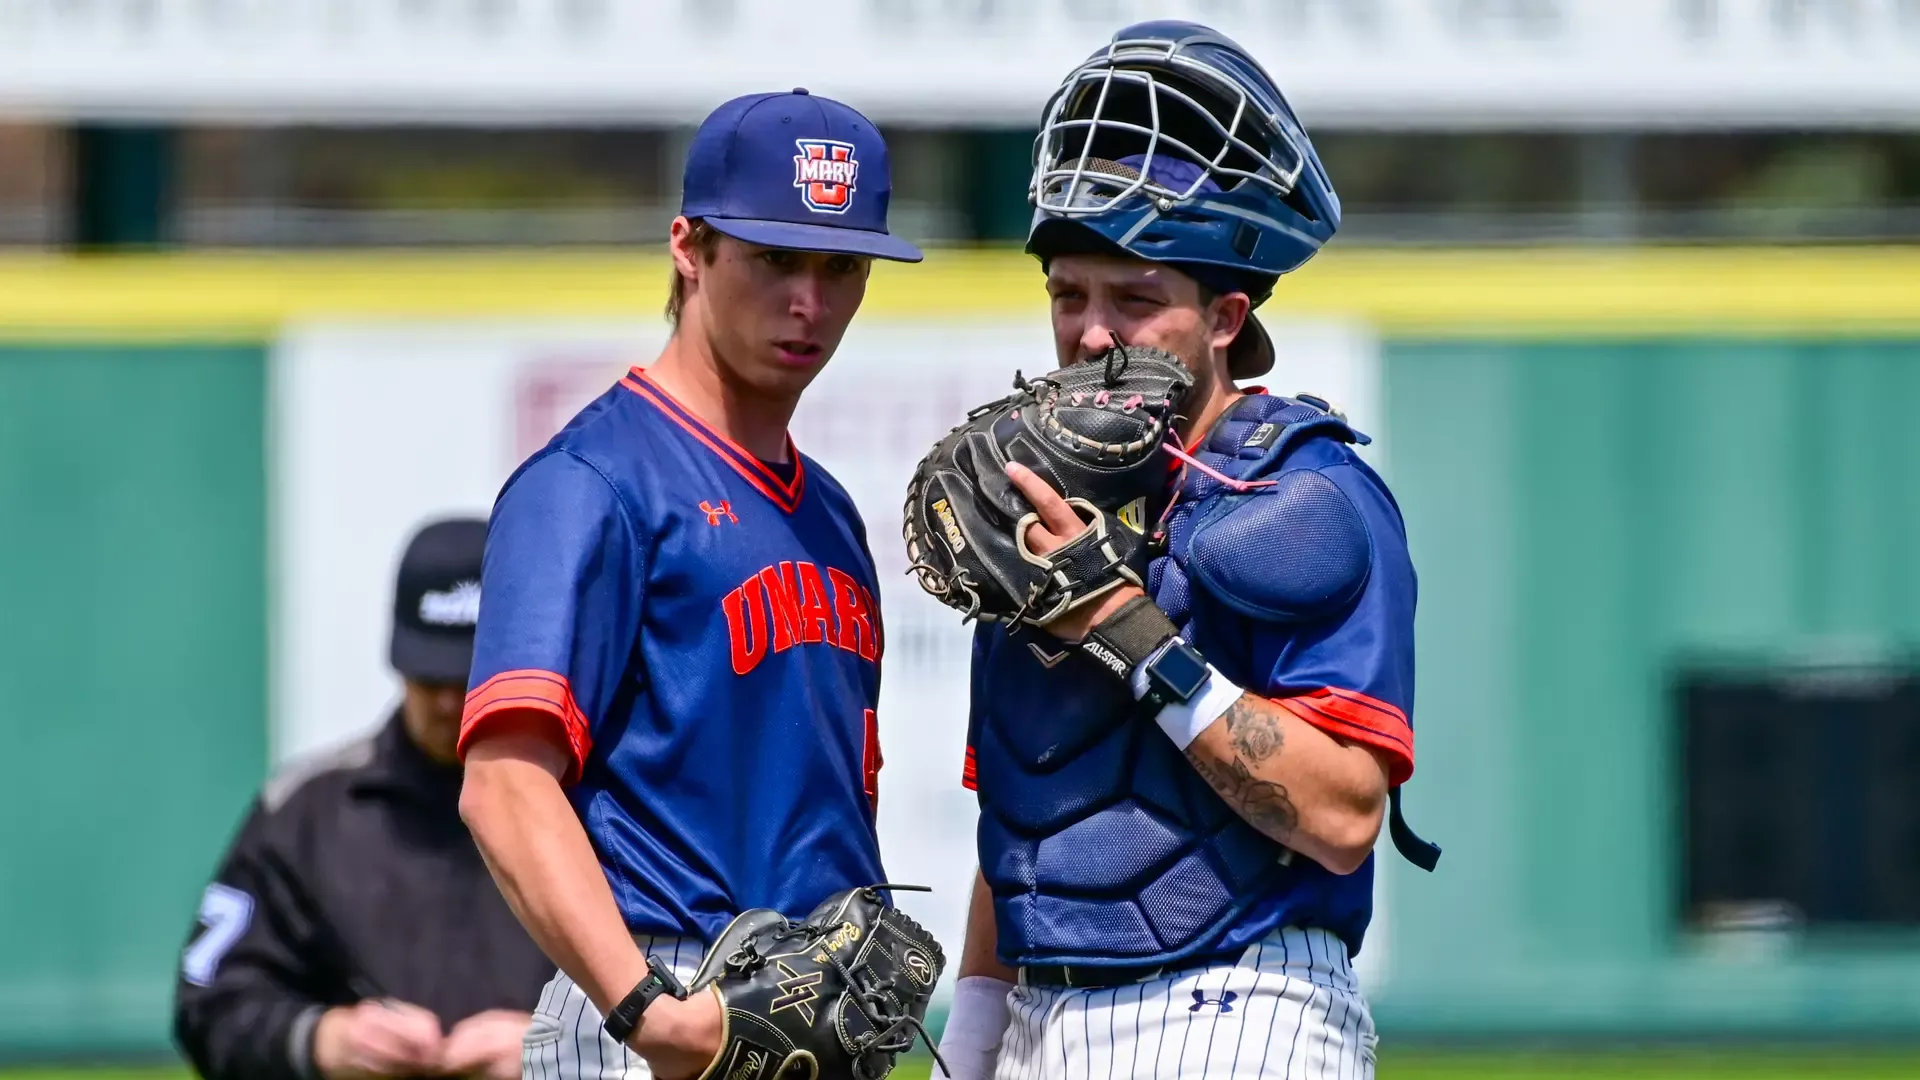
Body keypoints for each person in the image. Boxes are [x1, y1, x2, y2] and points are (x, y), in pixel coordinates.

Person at [935, 21, 1439, 1080]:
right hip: (1037, 1018)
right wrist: (970, 1045)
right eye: (1068, 295)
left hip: (1240, 1006)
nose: (1089, 332)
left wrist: (1124, 632)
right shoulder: (1038, 497)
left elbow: (1346, 816)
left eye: (1134, 299)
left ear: (1226, 316)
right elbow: (1023, 825)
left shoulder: (1307, 498)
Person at [453, 88, 922, 1080]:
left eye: (841, 267)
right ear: (688, 247)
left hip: (813, 1017)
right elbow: (503, 784)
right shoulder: (591, 484)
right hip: (662, 995)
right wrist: (650, 1015)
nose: (809, 302)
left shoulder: (829, 515)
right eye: (773, 260)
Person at [174, 518, 553, 1080]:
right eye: (430, 677)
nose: (450, 702)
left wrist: (563, 1049)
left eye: (469, 675)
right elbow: (208, 999)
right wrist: (318, 1040)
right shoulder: (305, 813)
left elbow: (700, 1010)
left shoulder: (603, 809)